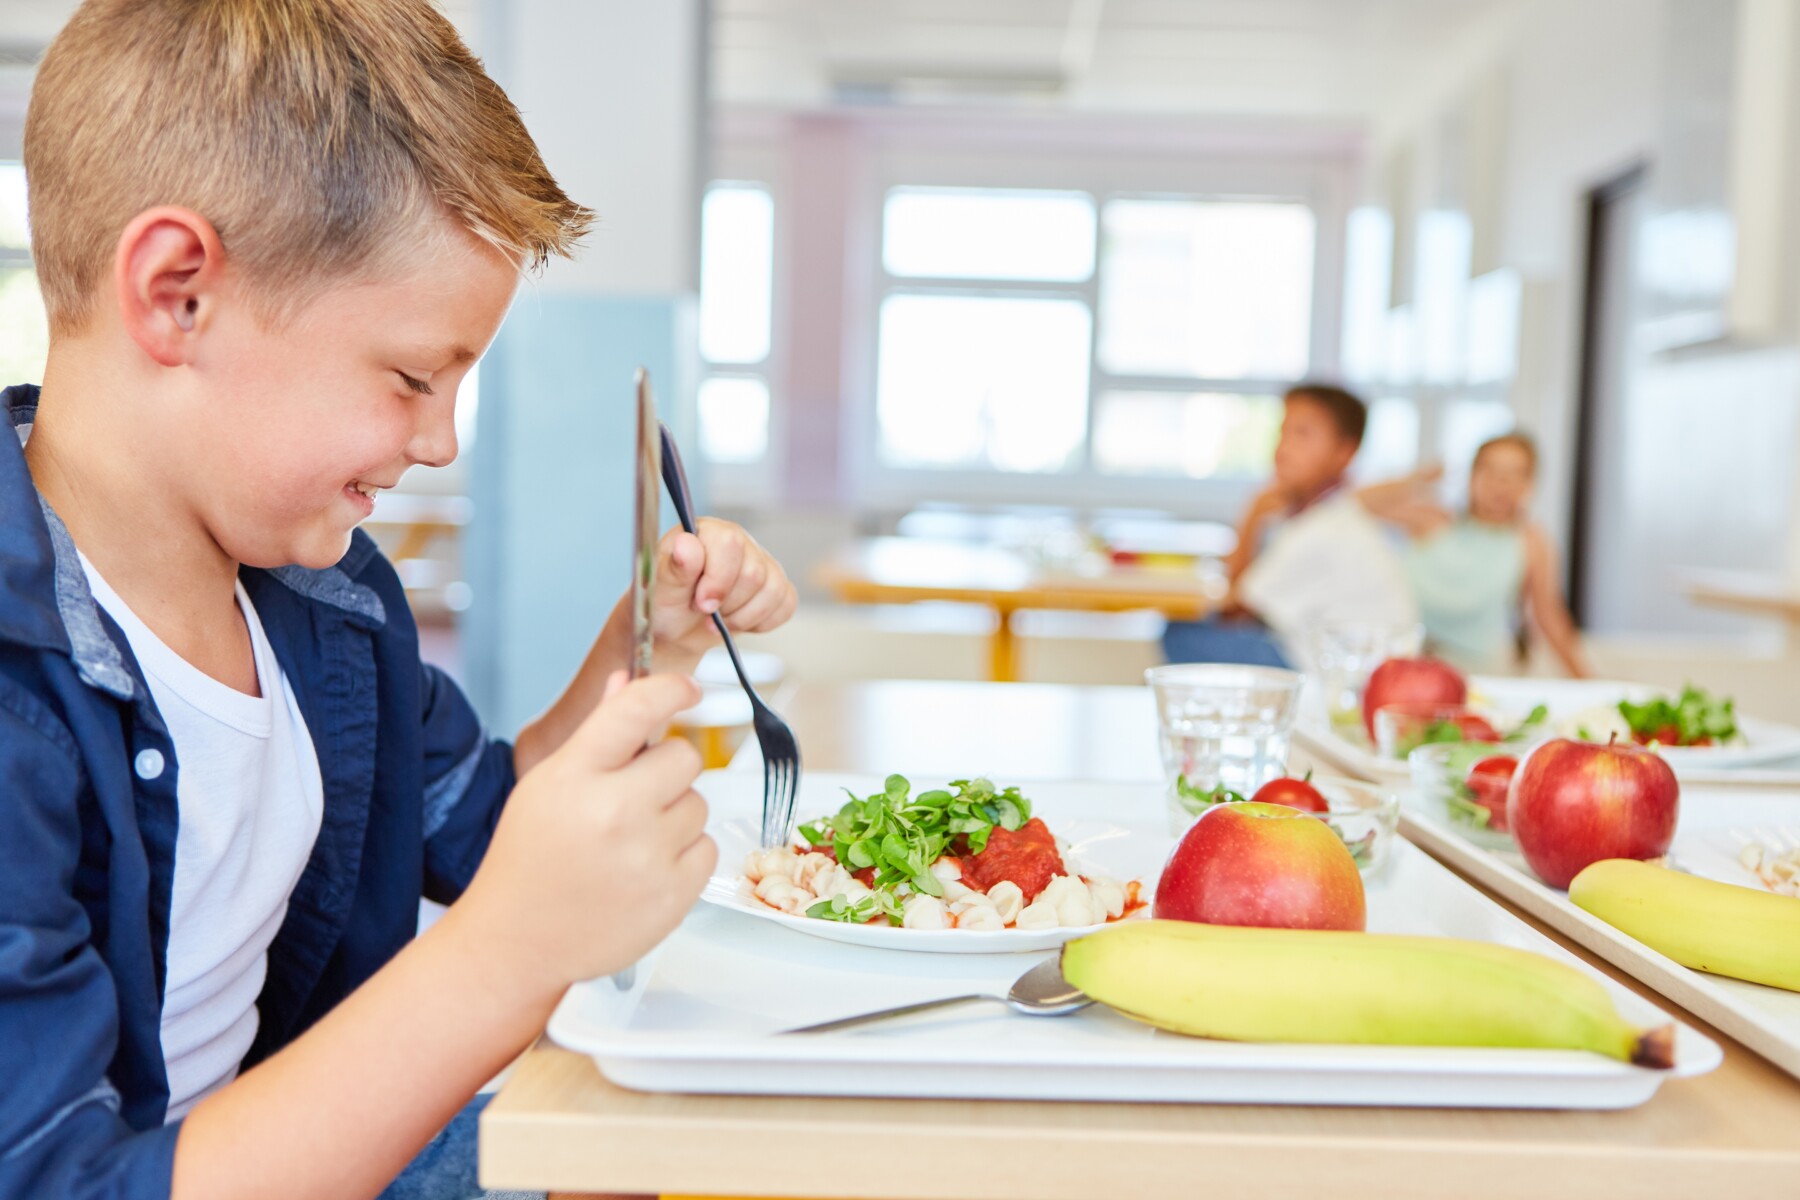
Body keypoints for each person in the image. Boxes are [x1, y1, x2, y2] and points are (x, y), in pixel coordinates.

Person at [0, 3, 799, 1199]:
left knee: (725, 1151)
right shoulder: (19, 709)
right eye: (413, 377)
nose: (437, 441)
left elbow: (493, 829)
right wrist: (503, 958)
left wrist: (654, 640)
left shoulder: (328, 599)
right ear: (176, 295)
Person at [1163, 384, 1417, 669]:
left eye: (1302, 434)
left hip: (1342, 674)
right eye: (1283, 432)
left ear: (1345, 451)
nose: (1284, 448)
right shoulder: (1328, 515)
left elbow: (1234, 611)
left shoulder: (1324, 529)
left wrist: (1253, 515)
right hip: (1335, 658)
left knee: (1182, 634)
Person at [1361, 433, 1592, 678]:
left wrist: (1589, 682)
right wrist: (1417, 479)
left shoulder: (1531, 542)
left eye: (1516, 474)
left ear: (1530, 484)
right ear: (1471, 476)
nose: (1501, 483)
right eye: (1490, 471)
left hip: (1474, 674)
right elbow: (1356, 502)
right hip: (1404, 662)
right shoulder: (1433, 521)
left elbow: (1549, 616)